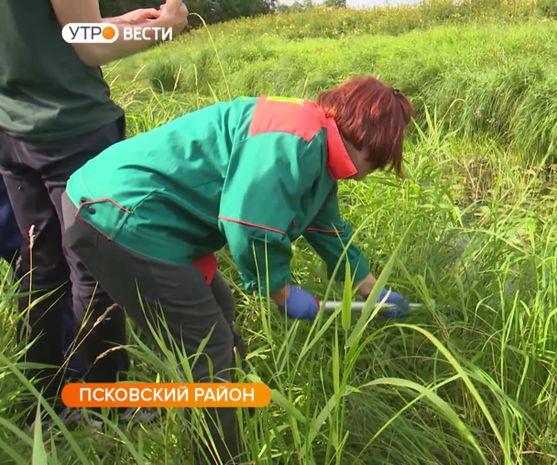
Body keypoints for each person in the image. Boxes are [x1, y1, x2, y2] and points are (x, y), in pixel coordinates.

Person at [62, 76, 413, 463]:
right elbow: (250, 225)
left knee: (221, 319)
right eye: (377, 160)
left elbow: (325, 226)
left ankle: (232, 419)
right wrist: (281, 291)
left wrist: (368, 288)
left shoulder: (314, 140)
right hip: (125, 217)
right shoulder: (294, 139)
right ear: (364, 135)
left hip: (127, 207)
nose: (373, 170)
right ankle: (221, 457)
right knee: (208, 350)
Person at [0, 0, 189, 424]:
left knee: (40, 269)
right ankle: (106, 404)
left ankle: (47, 405)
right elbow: (87, 44)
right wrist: (167, 28)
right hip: (72, 129)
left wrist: (119, 23)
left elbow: (45, 32)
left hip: (12, 131)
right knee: (96, 270)